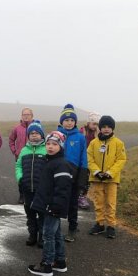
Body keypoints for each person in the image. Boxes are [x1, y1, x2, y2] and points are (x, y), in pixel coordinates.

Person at [28, 131, 72, 276]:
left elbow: (63, 189)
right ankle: (60, 261)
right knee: (56, 234)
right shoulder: (50, 162)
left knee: (48, 235)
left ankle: (47, 265)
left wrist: (55, 207)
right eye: (48, 144)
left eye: (54, 144)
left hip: (53, 206)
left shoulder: (61, 164)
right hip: (48, 204)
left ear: (61, 146)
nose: (50, 147)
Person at [87, 116, 127, 239]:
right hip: (97, 178)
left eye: (109, 127)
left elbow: (121, 159)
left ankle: (111, 225)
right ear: (100, 128)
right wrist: (97, 172)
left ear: (112, 128)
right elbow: (89, 159)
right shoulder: (93, 143)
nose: (106, 129)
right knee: (98, 202)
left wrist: (110, 173)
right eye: (104, 127)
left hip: (111, 179)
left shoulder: (118, 143)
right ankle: (99, 223)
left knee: (110, 202)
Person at [57, 104, 88, 242]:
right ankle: (55, 229)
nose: (69, 123)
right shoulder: (57, 135)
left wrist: (82, 177)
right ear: (61, 121)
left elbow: (83, 158)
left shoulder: (80, 137)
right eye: (66, 120)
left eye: (72, 120)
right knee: (57, 202)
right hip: (59, 174)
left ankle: (72, 228)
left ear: (75, 122)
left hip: (74, 175)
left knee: (73, 204)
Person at [15, 121, 47, 247]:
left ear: (42, 135)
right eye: (31, 133)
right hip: (27, 188)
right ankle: (32, 234)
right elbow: (18, 166)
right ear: (28, 136)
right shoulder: (24, 150)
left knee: (42, 214)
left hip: (42, 190)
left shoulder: (46, 149)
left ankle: (42, 237)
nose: (34, 135)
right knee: (30, 214)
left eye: (37, 133)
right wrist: (20, 178)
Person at [9, 107, 34, 204]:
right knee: (21, 176)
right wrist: (14, 151)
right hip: (20, 157)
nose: (26, 116)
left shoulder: (36, 127)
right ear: (21, 116)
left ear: (32, 116)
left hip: (32, 157)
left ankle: (31, 195)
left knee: (32, 176)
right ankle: (22, 195)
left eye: (28, 114)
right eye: (24, 114)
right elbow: (11, 140)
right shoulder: (17, 128)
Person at [78, 112, 101, 209]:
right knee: (80, 179)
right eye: (94, 123)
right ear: (88, 123)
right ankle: (77, 196)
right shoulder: (82, 132)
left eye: (97, 124)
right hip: (82, 159)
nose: (95, 126)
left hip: (91, 160)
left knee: (87, 180)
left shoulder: (98, 134)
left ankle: (83, 197)